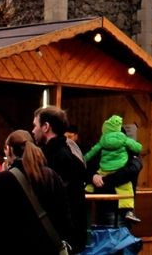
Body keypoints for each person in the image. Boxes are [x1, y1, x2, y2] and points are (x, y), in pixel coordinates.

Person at [0, 130, 74, 255]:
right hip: (46, 248)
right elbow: (65, 216)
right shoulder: (51, 176)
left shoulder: (4, 179)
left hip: (9, 247)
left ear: (10, 150)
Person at [33, 106, 87, 253]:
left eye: (35, 125)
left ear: (46, 127)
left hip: (58, 237)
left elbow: (56, 201)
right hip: (72, 235)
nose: (33, 130)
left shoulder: (54, 157)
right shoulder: (70, 152)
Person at [83, 114, 143, 222]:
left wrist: (100, 179)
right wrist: (92, 176)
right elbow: (85, 169)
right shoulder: (102, 151)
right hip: (101, 207)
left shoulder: (132, 155)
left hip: (118, 209)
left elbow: (129, 172)